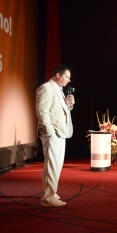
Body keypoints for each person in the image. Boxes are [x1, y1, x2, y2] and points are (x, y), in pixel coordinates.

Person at [36, 65, 75, 207]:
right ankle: (48, 198)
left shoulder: (60, 90)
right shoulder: (46, 88)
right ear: (58, 75)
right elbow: (42, 111)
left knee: (56, 166)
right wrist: (50, 132)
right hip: (53, 133)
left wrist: (69, 105)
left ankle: (51, 193)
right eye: (67, 77)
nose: (69, 80)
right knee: (52, 165)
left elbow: (59, 111)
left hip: (61, 132)